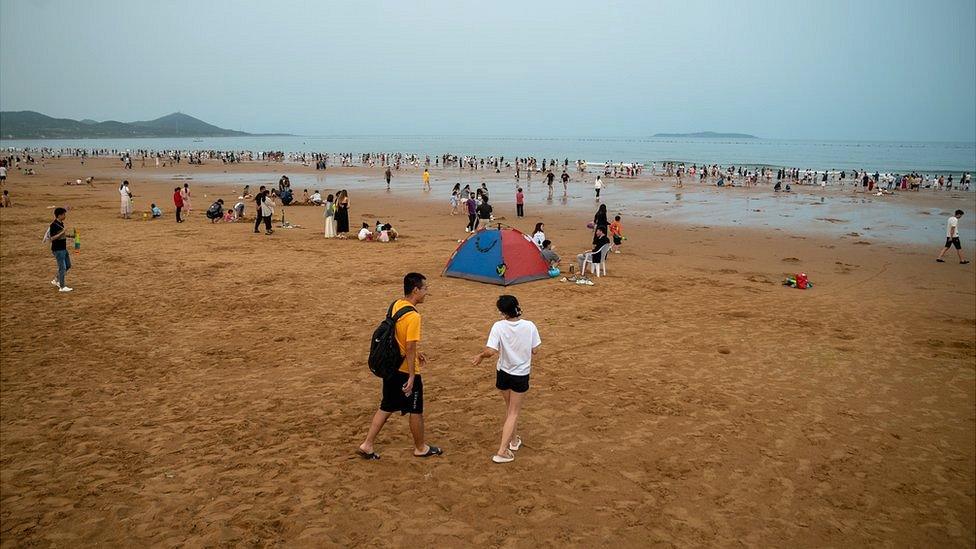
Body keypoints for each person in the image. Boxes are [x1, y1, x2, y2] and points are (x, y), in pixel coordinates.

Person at [358, 273, 442, 460]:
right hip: (404, 370)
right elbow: (410, 345)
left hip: (391, 366)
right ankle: (420, 448)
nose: (426, 292)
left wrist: (415, 351)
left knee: (386, 406)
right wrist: (412, 376)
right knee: (415, 409)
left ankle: (367, 444)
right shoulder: (413, 316)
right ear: (415, 290)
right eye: (425, 289)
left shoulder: (396, 304)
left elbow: (399, 336)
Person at [471, 295, 541, 464]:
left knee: (510, 410)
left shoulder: (498, 326)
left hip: (503, 373)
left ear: (503, 312)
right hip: (520, 375)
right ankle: (502, 450)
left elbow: (491, 351)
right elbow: (536, 349)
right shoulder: (529, 326)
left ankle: (514, 441)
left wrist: (481, 356)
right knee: (513, 412)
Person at [48, 207, 72, 292]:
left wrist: (70, 236)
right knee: (62, 268)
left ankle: (56, 280)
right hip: (58, 250)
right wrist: (63, 232)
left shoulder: (61, 223)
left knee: (68, 265)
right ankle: (62, 287)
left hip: (63, 248)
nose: (65, 216)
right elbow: (52, 238)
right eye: (64, 214)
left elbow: (62, 235)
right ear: (59, 215)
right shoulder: (53, 225)